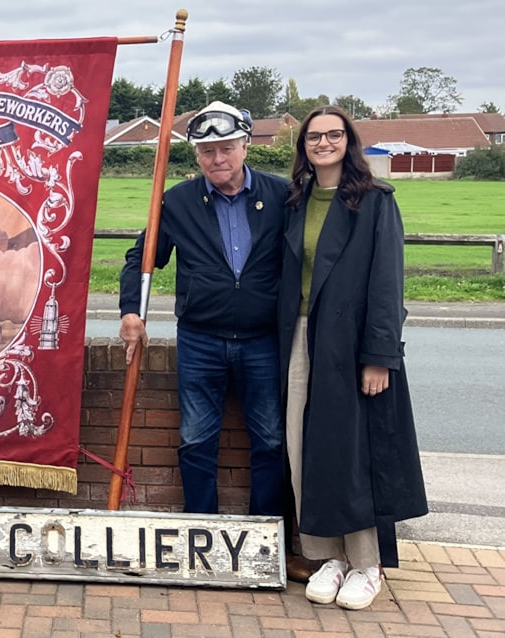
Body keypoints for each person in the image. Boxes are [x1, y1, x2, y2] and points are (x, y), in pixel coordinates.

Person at [279, 106, 427, 610]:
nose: (323, 143)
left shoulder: (375, 202)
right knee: (303, 449)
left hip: (350, 342)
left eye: (333, 134)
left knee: (351, 452)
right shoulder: (295, 201)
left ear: (349, 140)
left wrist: (379, 356)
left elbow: (387, 284)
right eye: (314, 136)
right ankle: (327, 557)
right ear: (303, 146)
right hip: (299, 336)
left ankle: (366, 564)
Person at [118, 101, 289, 519]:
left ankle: (267, 536)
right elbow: (140, 259)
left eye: (227, 148)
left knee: (271, 440)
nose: (218, 159)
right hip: (201, 340)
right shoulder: (177, 202)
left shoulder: (283, 195)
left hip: (264, 340)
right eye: (207, 151)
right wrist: (130, 311)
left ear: (246, 146)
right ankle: (202, 530)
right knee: (196, 439)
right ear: (196, 155)